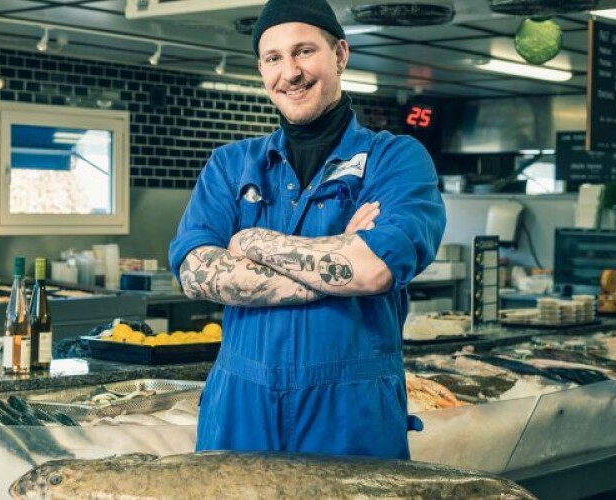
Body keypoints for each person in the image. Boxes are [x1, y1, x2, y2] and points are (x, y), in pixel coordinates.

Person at [168, 0, 446, 459]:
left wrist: (252, 242)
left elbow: (375, 270)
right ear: (261, 68)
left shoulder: (396, 158)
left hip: (351, 413)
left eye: (304, 51)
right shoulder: (230, 165)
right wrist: (340, 259)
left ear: (339, 53)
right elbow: (195, 271)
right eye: (274, 58)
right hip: (241, 407)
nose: (290, 72)